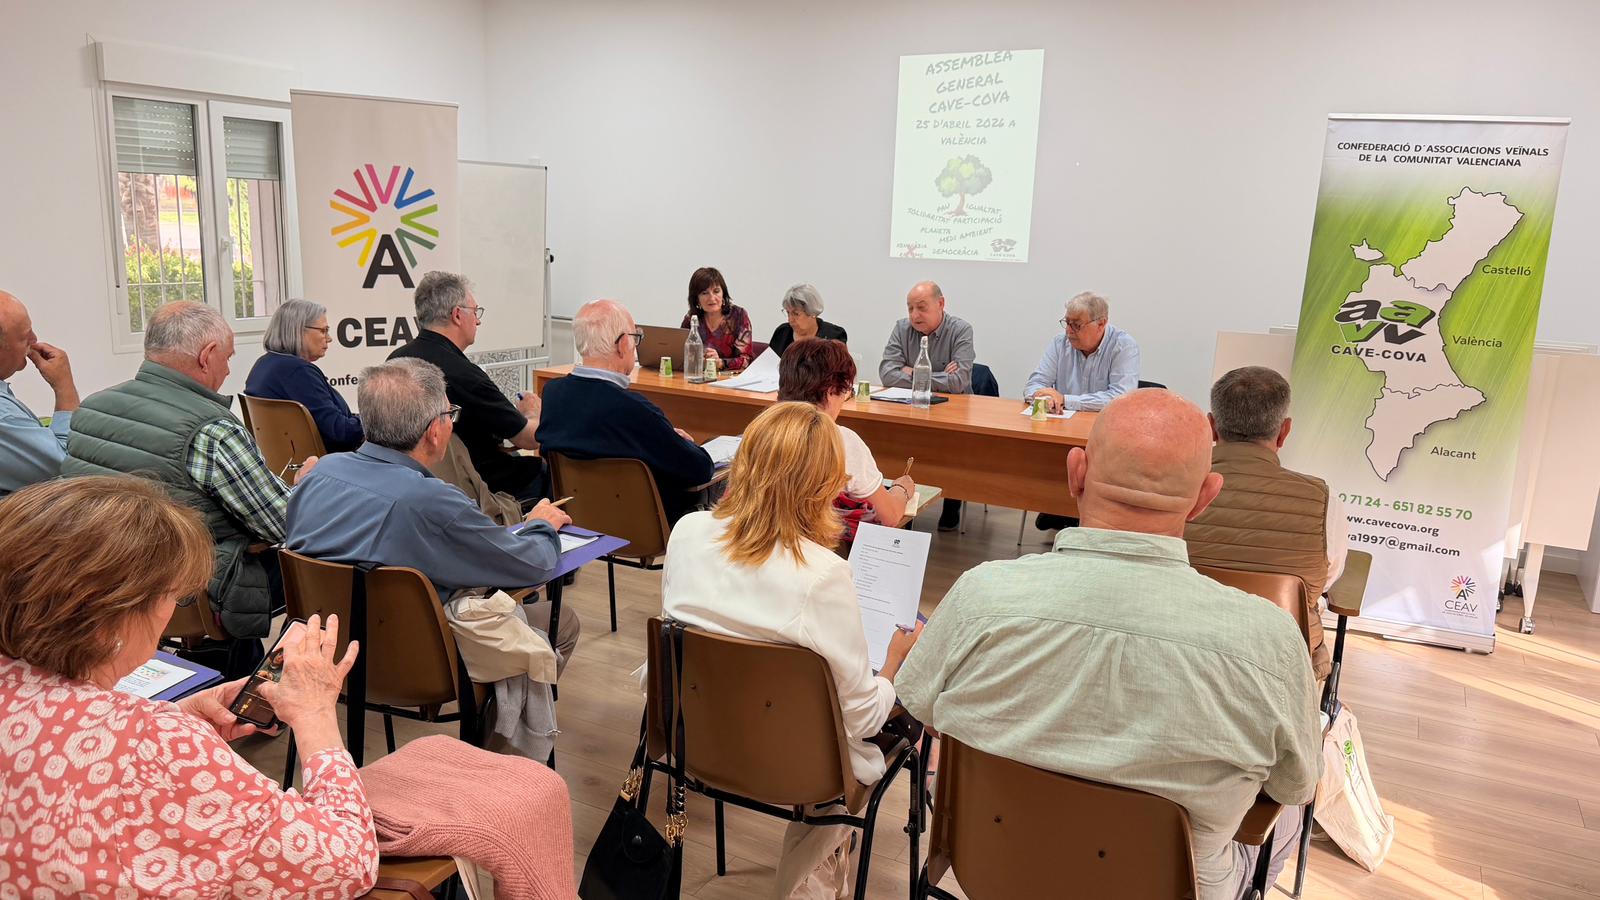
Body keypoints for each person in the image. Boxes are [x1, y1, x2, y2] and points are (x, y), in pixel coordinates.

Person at [895, 390, 1321, 900]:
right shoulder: (1271, 639)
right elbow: (1295, 786)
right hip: (1176, 890)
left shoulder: (980, 595)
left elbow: (916, 703)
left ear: (1076, 473)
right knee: (1288, 812)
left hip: (989, 871)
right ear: (1205, 497)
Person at [0, 475, 376, 896]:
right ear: (115, 618)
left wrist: (177, 721)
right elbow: (347, 864)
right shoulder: (154, 743)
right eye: (173, 597)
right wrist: (314, 714)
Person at [661, 401, 922, 900]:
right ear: (825, 486)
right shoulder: (824, 574)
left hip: (696, 739)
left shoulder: (687, 533)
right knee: (903, 701)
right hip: (800, 770)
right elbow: (863, 718)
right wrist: (893, 662)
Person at [62, 302, 312, 672]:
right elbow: (284, 524)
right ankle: (255, 683)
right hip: (191, 590)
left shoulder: (91, 409)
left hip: (107, 579)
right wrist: (306, 487)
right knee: (315, 561)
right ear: (206, 356)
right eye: (228, 357)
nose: (228, 369)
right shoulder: (214, 430)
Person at [285, 358, 578, 657]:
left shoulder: (317, 476)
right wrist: (540, 524)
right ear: (434, 432)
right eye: (450, 414)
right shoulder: (433, 502)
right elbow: (533, 565)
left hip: (320, 652)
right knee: (563, 622)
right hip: (413, 660)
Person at [1185, 366, 1346, 682]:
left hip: (1184, 650)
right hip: (1282, 665)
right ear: (1284, 432)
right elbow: (1325, 580)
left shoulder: (1173, 485)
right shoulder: (1324, 501)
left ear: (1211, 427)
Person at [537, 299, 713, 525]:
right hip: (643, 528)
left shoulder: (552, 395)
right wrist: (683, 444)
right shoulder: (636, 410)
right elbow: (700, 469)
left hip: (574, 520)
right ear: (622, 344)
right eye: (635, 338)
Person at [389, 271, 548, 506]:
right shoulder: (465, 375)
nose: (478, 321)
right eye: (475, 312)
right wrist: (532, 410)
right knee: (541, 469)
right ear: (457, 315)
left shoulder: (395, 362)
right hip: (472, 485)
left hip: (410, 483)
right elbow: (529, 438)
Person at [1024, 290, 1140, 531]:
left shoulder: (1123, 346)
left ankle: (1071, 513)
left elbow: (1120, 397)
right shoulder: (1059, 344)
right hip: (1062, 433)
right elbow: (1035, 383)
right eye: (1066, 322)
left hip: (1106, 435)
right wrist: (1041, 395)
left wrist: (1065, 399)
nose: (1069, 331)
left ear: (1101, 323)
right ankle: (1055, 505)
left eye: (1076, 325)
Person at [777, 337, 915, 539]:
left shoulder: (759, 432)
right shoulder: (840, 440)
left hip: (757, 547)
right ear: (831, 391)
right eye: (846, 391)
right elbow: (889, 516)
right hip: (814, 550)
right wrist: (901, 490)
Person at [879, 280, 974, 531]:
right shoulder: (901, 328)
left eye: (921, 307)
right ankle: (902, 501)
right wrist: (939, 375)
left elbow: (958, 382)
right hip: (911, 410)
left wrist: (912, 371)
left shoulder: (961, 330)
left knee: (949, 451)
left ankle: (953, 499)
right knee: (899, 445)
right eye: (910, 308)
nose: (914, 315)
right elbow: (887, 373)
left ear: (940, 304)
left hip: (952, 414)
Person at [244, 298, 364, 452]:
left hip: (288, 459)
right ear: (298, 330)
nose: (329, 338)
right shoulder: (298, 372)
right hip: (326, 461)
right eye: (323, 331)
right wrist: (375, 422)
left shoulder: (263, 365)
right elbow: (341, 432)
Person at [0, 289, 80, 496]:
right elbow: (67, 469)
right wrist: (64, 387)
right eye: (24, 337)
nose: (34, 340)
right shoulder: (3, 415)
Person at [679, 266, 754, 372]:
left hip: (730, 379)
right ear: (696, 299)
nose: (712, 298)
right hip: (697, 377)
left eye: (716, 291)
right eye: (704, 293)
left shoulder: (738, 316)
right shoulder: (691, 319)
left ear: (723, 294)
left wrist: (720, 363)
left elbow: (746, 360)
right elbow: (680, 356)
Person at [768, 283, 847, 356]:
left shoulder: (834, 336)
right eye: (788, 312)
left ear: (812, 312)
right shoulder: (782, 332)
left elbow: (841, 366)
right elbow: (769, 363)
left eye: (796, 314)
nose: (790, 320)